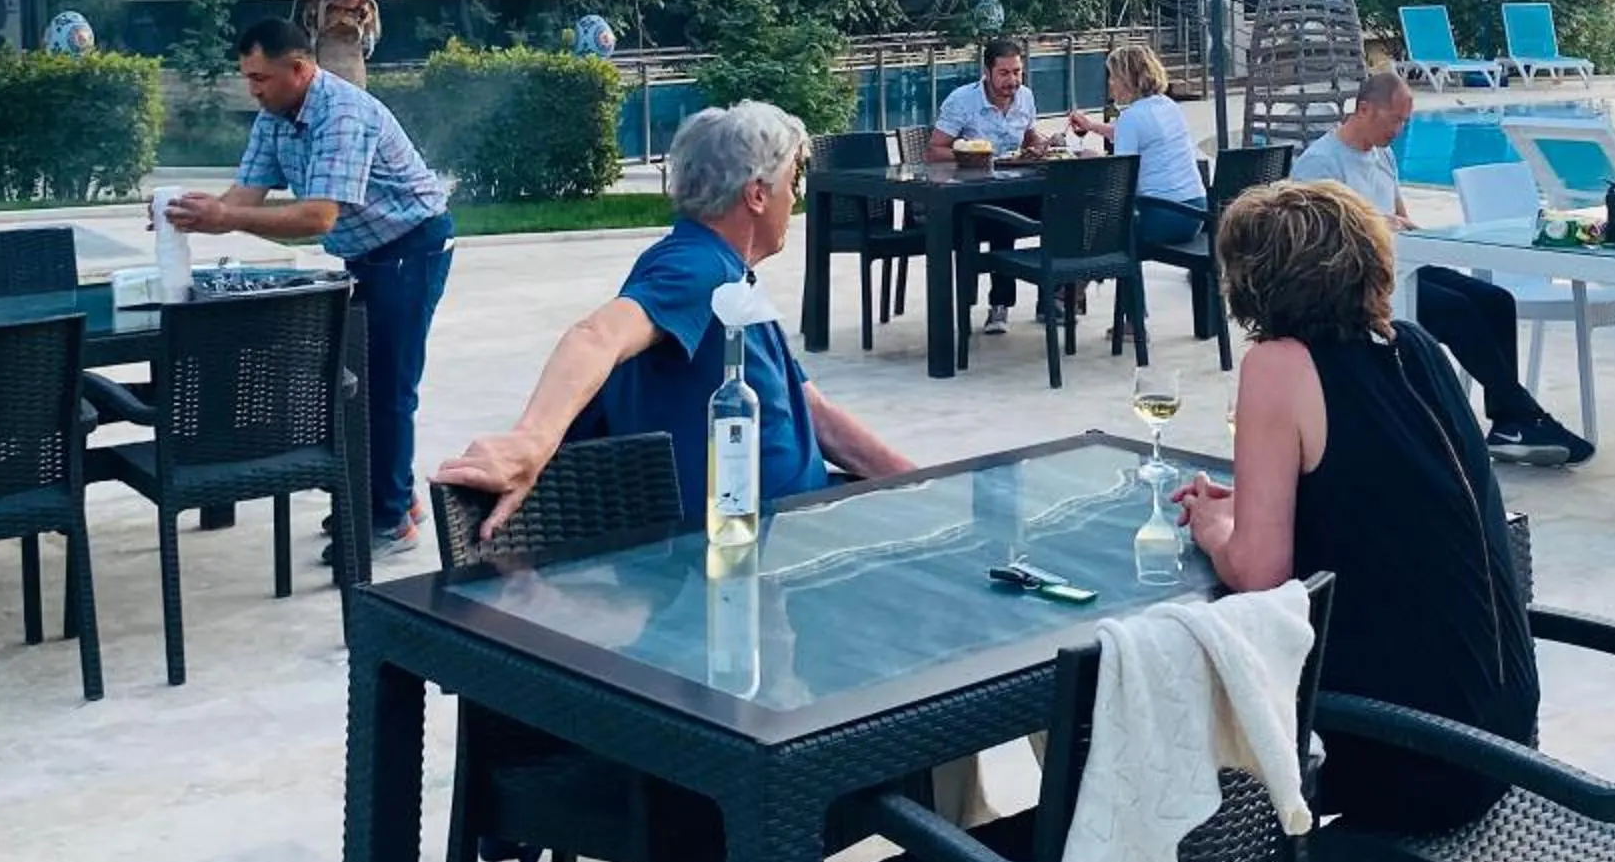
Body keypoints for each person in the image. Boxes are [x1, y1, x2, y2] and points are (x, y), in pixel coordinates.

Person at [1173, 179, 1539, 862]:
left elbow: (1256, 569)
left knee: (1222, 720)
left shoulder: (1278, 365)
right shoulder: (1418, 349)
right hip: (1499, 726)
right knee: (1253, 696)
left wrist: (1214, 524)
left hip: (1411, 756)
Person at [437, 99, 912, 535]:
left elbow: (816, 413)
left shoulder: (731, 277)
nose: (797, 198)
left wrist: (923, 485)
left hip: (804, 530)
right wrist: (530, 440)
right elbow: (597, 336)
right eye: (792, 182)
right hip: (742, 554)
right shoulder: (695, 267)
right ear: (757, 195)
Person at [166, 19, 452, 556]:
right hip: (363, 251)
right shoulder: (276, 115)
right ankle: (393, 496)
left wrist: (228, 218)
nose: (252, 90)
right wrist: (198, 214)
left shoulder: (342, 114)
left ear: (299, 69)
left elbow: (318, 216)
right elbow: (245, 196)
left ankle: (388, 521)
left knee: (388, 383)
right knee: (358, 383)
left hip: (410, 247)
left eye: (261, 78)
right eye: (247, 78)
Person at [1291, 70, 1591, 465]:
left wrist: (1411, 229)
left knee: (1496, 301)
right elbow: (1319, 243)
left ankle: (1507, 422)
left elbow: (1399, 214)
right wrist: (1379, 227)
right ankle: (1527, 414)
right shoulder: (1321, 163)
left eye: (1405, 121)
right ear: (1364, 109)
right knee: (1458, 311)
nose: (1400, 130)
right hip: (1357, 281)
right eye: (1396, 119)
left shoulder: (1382, 154)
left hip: (1400, 264)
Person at [932, 35, 1047, 337]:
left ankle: (1056, 296)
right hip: (972, 193)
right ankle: (1000, 305)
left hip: (1016, 184)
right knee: (1002, 220)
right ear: (987, 72)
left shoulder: (1026, 98)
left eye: (1017, 72)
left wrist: (1041, 146)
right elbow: (934, 150)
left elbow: (1029, 137)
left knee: (1062, 205)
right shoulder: (962, 101)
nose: (1013, 80)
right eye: (1005, 73)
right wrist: (975, 154)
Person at [1068, 40, 1206, 245]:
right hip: (1196, 213)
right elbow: (1140, 135)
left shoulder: (1131, 118)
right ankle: (1087, 275)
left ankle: (1085, 272)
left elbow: (1120, 179)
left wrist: (1091, 159)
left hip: (1162, 217)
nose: (1110, 83)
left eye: (1114, 77)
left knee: (1086, 222)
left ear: (1128, 80)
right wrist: (1090, 126)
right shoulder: (1168, 106)